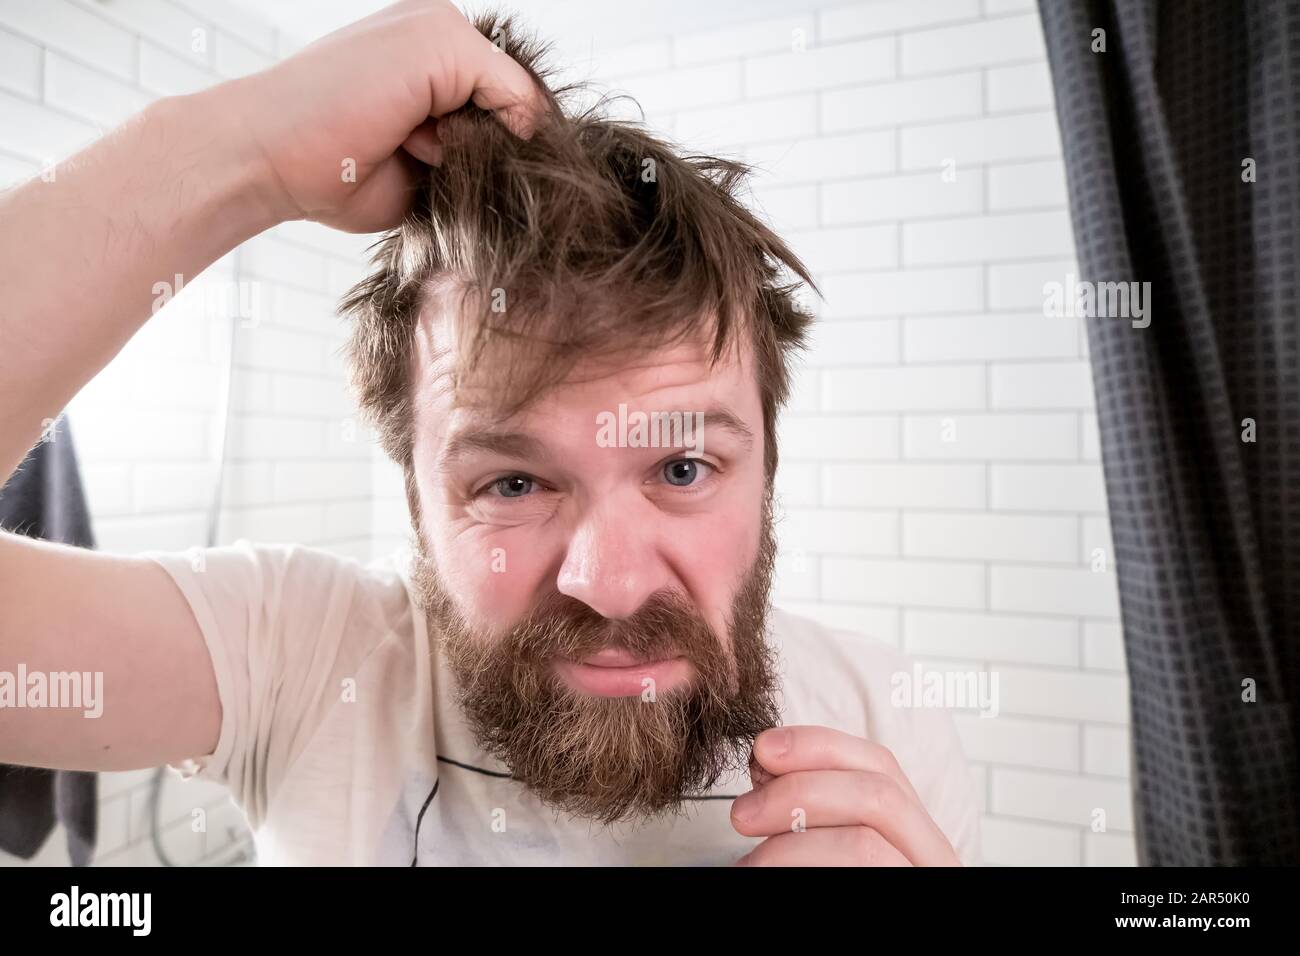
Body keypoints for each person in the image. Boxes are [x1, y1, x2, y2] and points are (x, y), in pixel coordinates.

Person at [0, 1, 979, 866]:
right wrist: (244, 149)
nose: (612, 581)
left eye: (683, 465)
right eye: (511, 483)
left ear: (767, 466)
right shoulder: (306, 663)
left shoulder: (880, 717)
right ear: (416, 495)